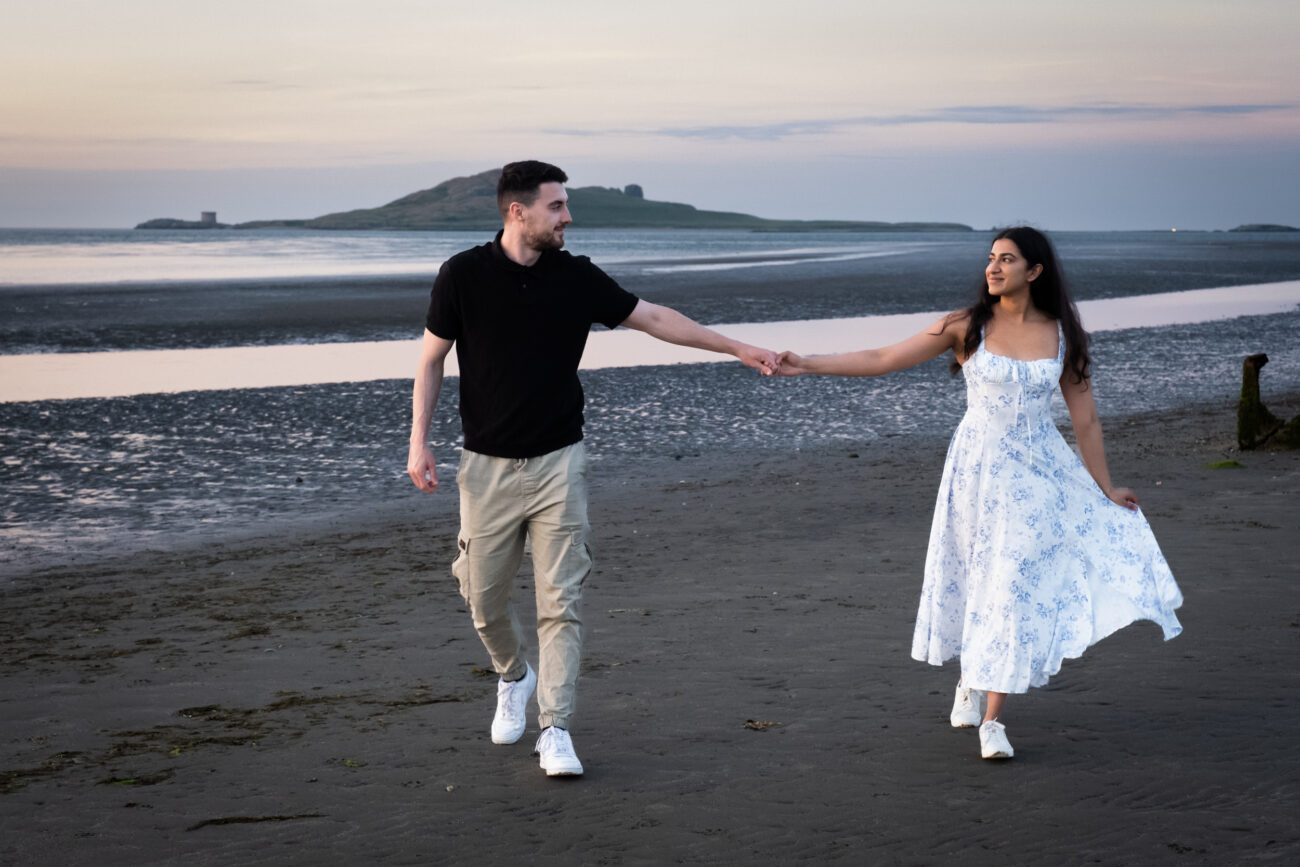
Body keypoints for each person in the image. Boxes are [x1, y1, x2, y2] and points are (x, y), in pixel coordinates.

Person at [407, 160, 776, 777]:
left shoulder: (575, 277)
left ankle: (556, 730)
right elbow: (430, 360)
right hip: (486, 467)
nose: (568, 216)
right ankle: (513, 676)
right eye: (557, 206)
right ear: (516, 211)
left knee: (562, 601)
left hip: (560, 463)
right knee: (481, 596)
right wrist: (419, 443)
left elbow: (654, 318)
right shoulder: (463, 275)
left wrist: (738, 347)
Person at [773, 226, 1182, 760]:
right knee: (974, 574)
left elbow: (1087, 421)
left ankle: (994, 721)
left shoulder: (1062, 335)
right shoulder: (966, 326)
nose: (993, 268)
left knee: (1012, 584)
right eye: (991, 258)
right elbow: (881, 358)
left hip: (1039, 474)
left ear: (1034, 271)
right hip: (976, 472)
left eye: (1007, 260)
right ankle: (972, 676)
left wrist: (1105, 487)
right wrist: (805, 363)